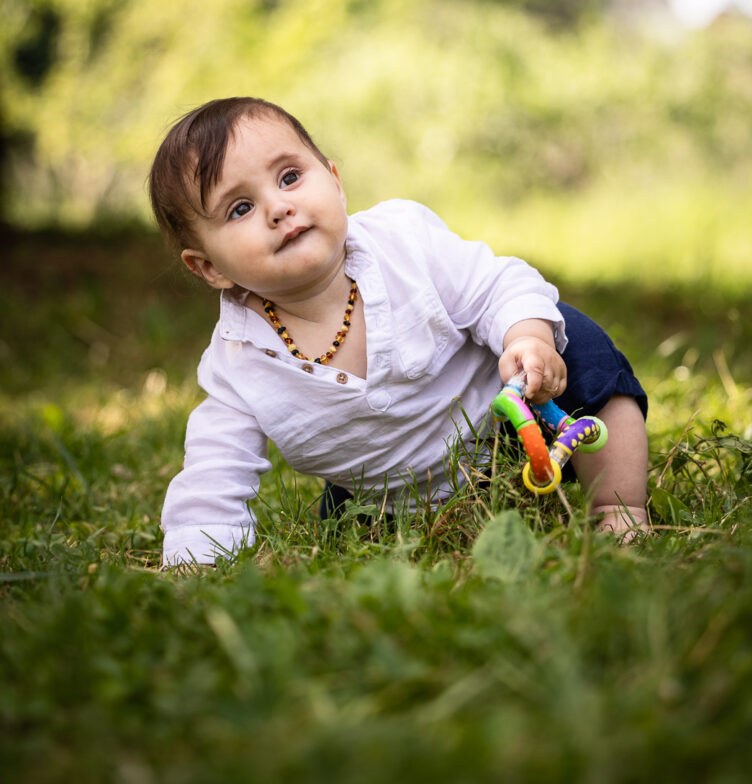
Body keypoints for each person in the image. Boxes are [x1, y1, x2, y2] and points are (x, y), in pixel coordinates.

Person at [149, 97, 649, 567]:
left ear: (335, 181)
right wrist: (198, 561)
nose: (278, 208)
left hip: (515, 427)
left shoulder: (404, 243)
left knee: (576, 345)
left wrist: (528, 337)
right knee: (338, 527)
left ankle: (618, 511)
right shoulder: (237, 364)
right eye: (240, 209)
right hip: (383, 501)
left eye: (290, 177)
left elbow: (497, 284)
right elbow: (214, 476)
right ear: (208, 266)